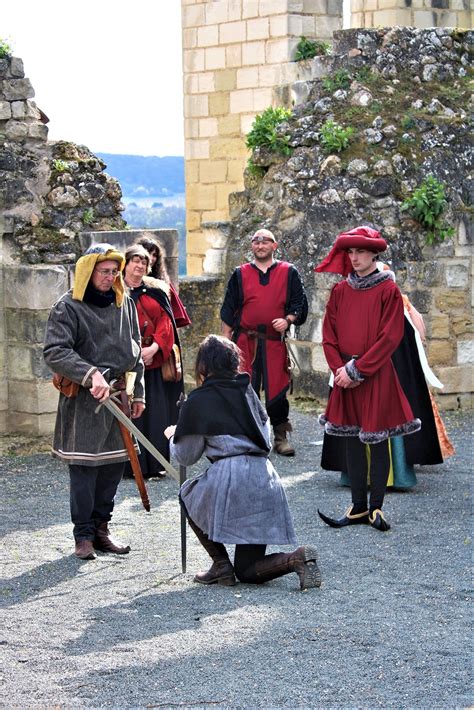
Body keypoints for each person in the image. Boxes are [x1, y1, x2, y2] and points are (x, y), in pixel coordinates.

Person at [164, 335, 321, 590]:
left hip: (231, 478)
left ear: (203, 366)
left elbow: (186, 456)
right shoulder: (247, 391)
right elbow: (267, 437)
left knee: (187, 493)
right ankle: (297, 558)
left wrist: (174, 436)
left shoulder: (199, 400)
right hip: (264, 476)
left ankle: (221, 564)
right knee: (248, 569)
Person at [314, 226, 421, 532]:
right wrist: (340, 370)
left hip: (374, 376)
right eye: (351, 252)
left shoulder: (388, 290)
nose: (355, 257)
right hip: (345, 377)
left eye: (360, 251)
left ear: (374, 253)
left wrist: (357, 370)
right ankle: (358, 506)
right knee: (351, 440)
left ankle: (376, 508)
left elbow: (390, 337)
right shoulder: (340, 291)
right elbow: (328, 336)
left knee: (376, 440)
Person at [43, 243, 145, 560]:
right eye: (104, 271)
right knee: (85, 470)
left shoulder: (123, 303)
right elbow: (55, 351)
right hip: (85, 402)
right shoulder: (67, 307)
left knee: (114, 466)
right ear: (89, 271)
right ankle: (83, 536)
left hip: (118, 397)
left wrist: (138, 391)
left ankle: (102, 530)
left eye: (114, 272)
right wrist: (90, 374)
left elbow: (136, 349)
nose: (110, 277)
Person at [220, 229, 307, 456]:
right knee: (244, 389)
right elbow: (228, 311)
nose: (260, 245)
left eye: (265, 241)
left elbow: (299, 304)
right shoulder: (240, 274)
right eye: (256, 242)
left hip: (273, 342)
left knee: (277, 392)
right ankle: (248, 438)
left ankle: (280, 436)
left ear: (274, 245)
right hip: (244, 342)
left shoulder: (289, 272)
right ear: (252, 247)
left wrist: (288, 320)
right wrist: (225, 345)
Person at [122, 244, 184, 478]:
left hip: (154, 362)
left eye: (144, 262)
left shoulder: (156, 290)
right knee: (130, 412)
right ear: (125, 264)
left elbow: (167, 324)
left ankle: (156, 463)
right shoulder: (115, 292)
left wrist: (154, 348)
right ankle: (129, 465)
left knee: (156, 412)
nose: (139, 266)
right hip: (126, 365)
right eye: (135, 261)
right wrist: (134, 353)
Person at [134, 233, 191, 329]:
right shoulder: (128, 280)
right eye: (148, 253)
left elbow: (170, 314)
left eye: (154, 255)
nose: (151, 258)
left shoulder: (161, 282)